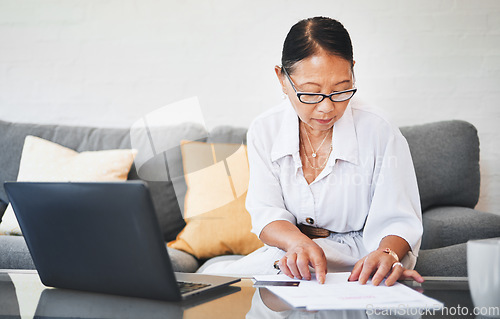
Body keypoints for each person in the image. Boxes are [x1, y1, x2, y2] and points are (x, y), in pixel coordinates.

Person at [200, 16, 424, 287]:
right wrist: (297, 243)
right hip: (293, 255)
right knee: (211, 285)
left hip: (361, 260)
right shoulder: (264, 129)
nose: (327, 108)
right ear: (282, 79)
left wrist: (386, 253)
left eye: (341, 90)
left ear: (353, 71)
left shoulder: (380, 130)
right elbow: (267, 213)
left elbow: (398, 219)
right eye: (311, 93)